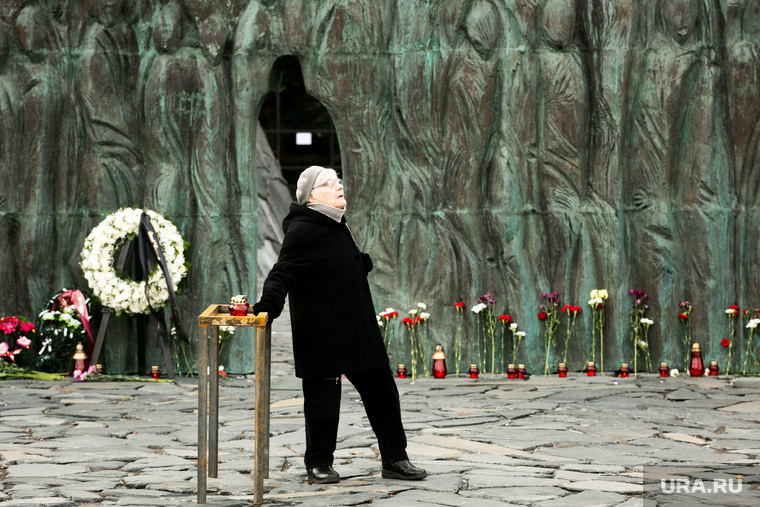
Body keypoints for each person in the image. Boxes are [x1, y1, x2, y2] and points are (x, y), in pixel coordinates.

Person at [253, 165, 427, 484]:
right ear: (312, 196)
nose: (338, 186)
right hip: (324, 334)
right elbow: (283, 272)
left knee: (383, 395)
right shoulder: (303, 229)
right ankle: (318, 462)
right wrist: (268, 306)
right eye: (329, 183)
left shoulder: (336, 224)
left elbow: (328, 263)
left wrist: (359, 263)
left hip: (357, 331)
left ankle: (395, 459)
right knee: (322, 402)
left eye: (339, 180)